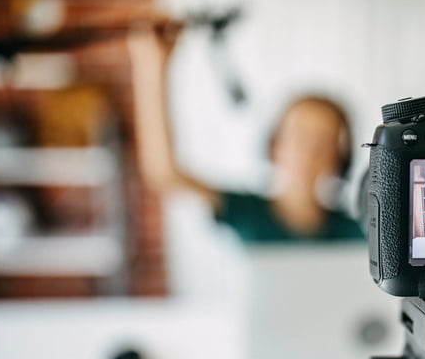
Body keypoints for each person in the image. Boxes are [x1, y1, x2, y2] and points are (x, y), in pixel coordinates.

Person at [127, 22, 363, 242]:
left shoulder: (357, 231)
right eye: (299, 137)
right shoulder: (246, 212)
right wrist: (153, 66)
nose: (309, 152)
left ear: (340, 157)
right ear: (275, 143)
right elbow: (165, 173)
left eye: (323, 141)